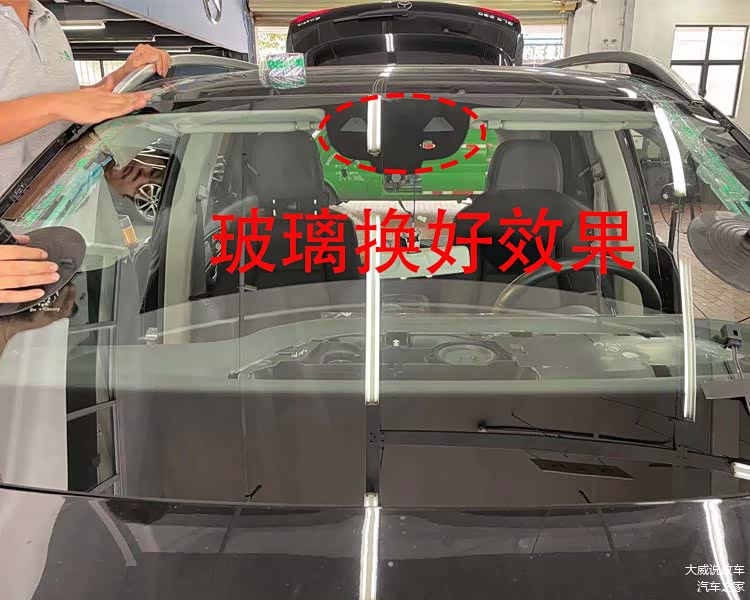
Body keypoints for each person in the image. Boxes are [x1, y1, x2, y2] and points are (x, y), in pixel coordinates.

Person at [0, 0, 171, 305]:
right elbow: (57, 104)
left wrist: (122, 76)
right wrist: (55, 105)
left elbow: (67, 104)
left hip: (73, 238)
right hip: (9, 252)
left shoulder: (46, 20)